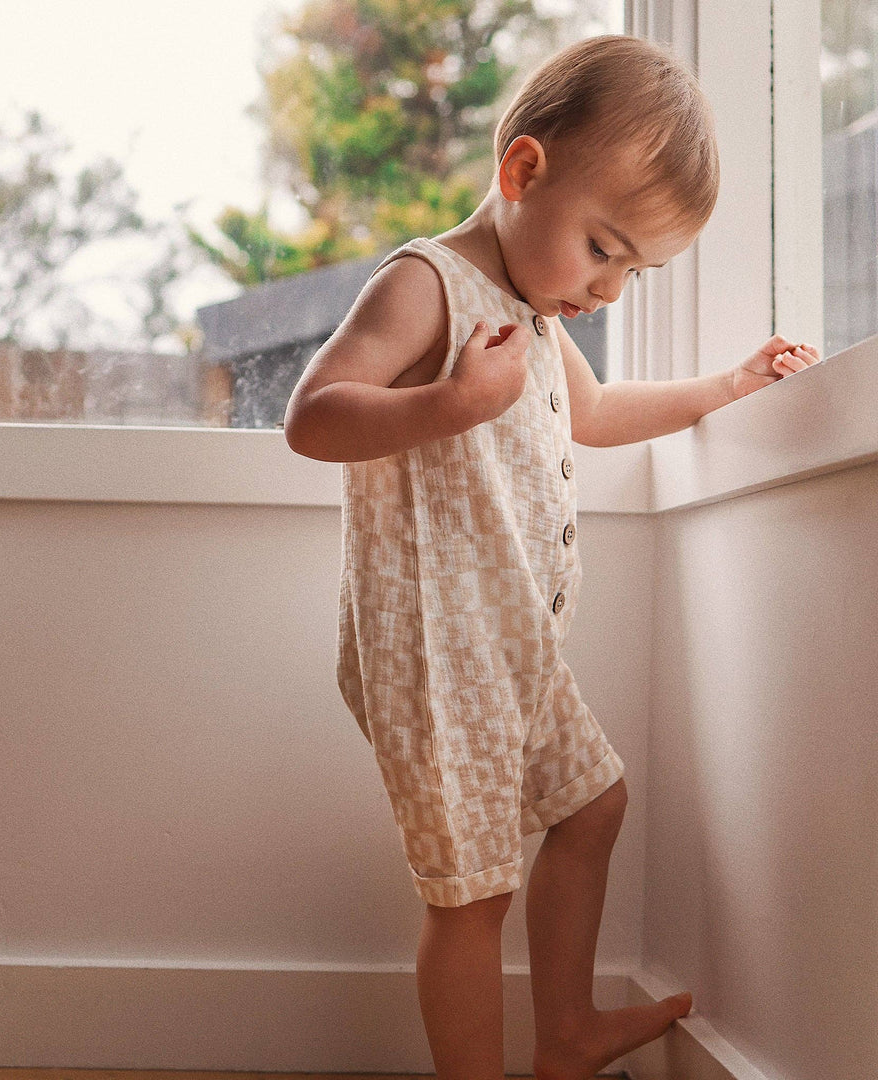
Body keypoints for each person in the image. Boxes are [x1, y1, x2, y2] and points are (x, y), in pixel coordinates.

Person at [283, 33, 820, 1080]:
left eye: (637, 268)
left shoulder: (534, 315)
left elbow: (601, 411)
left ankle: (566, 1032)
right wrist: (447, 403)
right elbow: (313, 417)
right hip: (439, 656)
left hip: (511, 646)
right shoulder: (428, 284)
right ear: (523, 171)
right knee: (474, 892)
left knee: (593, 806)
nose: (613, 289)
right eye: (605, 247)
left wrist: (727, 387)